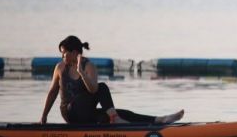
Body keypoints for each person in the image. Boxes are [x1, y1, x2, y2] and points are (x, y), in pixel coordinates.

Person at [40, 35, 184, 125]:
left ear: (74, 52)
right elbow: (52, 93)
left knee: (121, 113)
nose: (62, 57)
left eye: (64, 53)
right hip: (70, 113)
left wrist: (82, 73)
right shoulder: (60, 68)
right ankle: (115, 118)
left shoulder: (88, 66)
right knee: (102, 87)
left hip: (86, 114)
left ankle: (160, 120)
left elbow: (92, 90)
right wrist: (44, 117)